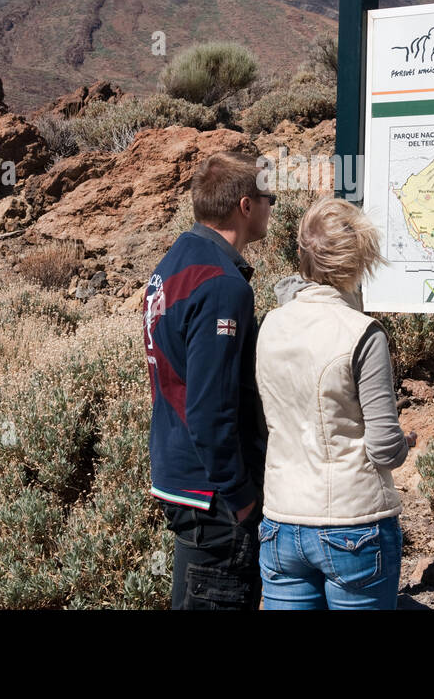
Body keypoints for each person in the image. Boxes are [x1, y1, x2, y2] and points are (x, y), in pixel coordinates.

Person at [254, 196, 417, 609]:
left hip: (281, 522)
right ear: (359, 259)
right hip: (353, 524)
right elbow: (382, 448)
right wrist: (405, 443)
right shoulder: (363, 333)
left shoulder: (270, 325)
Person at [143, 149, 274, 609]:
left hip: (180, 475)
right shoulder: (222, 284)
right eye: (267, 197)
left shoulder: (174, 262)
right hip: (211, 494)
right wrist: (239, 497)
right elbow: (209, 406)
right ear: (244, 205)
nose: (270, 206)